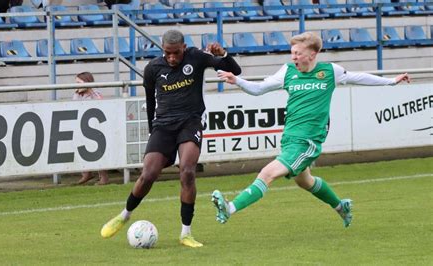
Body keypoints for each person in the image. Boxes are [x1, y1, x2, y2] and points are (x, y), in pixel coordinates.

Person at [212, 32, 410, 228]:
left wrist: (391, 81)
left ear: (312, 54)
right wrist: (237, 80)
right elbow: (259, 88)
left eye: (298, 53)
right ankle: (341, 207)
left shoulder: (330, 71)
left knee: (267, 174)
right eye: (292, 52)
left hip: (308, 141)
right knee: (305, 181)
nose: (294, 57)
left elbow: (359, 78)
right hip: (290, 136)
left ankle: (230, 208)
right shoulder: (288, 71)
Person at [100, 29, 241, 247]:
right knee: (148, 174)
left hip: (190, 122)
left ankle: (186, 233)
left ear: (184, 47)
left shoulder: (197, 57)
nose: (172, 58)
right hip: (163, 126)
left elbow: (235, 70)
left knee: (187, 171)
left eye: (176, 53)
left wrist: (223, 54)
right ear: (162, 49)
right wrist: (152, 132)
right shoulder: (153, 68)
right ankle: (124, 215)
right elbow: (150, 102)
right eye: (168, 53)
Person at [73, 72, 110, 186]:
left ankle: (103, 176)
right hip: (82, 126)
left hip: (96, 128)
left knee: (98, 150)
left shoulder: (96, 95)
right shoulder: (77, 95)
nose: (76, 86)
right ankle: (86, 173)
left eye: (79, 83)